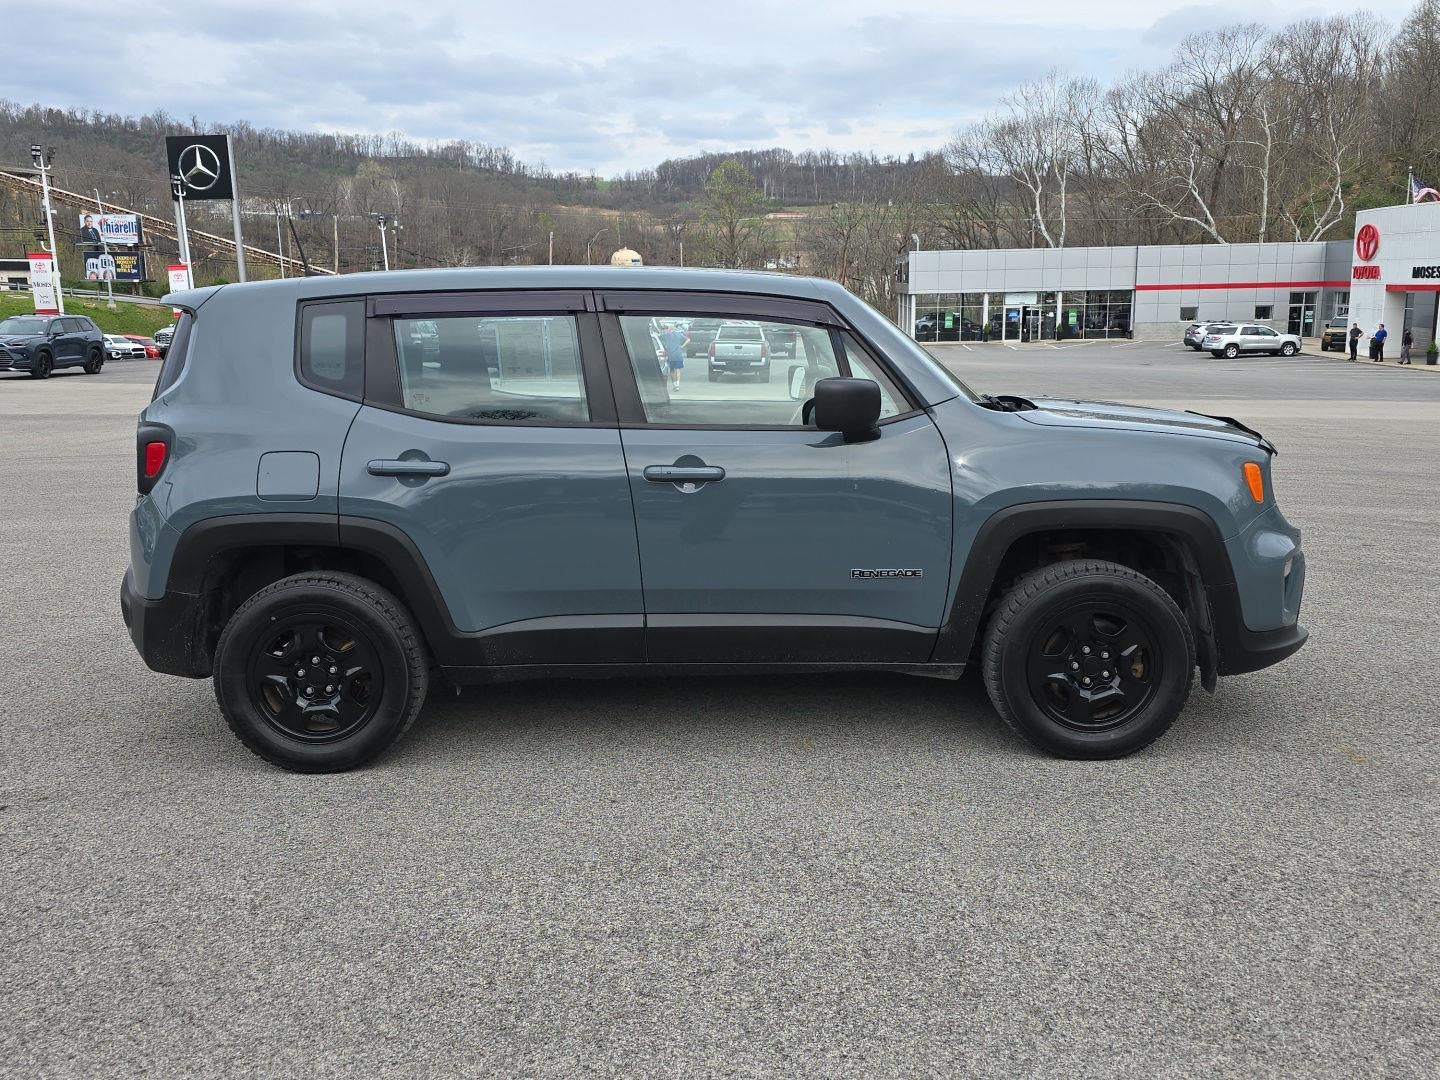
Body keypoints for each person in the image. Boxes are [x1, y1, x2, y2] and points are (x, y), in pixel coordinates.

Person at [659, 321, 688, 391]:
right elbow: (688, 339)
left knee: (672, 370)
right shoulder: (679, 334)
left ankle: (675, 385)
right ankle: (677, 385)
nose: (665, 330)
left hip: (671, 355)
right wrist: (682, 346)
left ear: (669, 329)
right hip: (678, 355)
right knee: (677, 370)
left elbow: (658, 336)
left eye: (666, 328)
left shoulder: (666, 335)